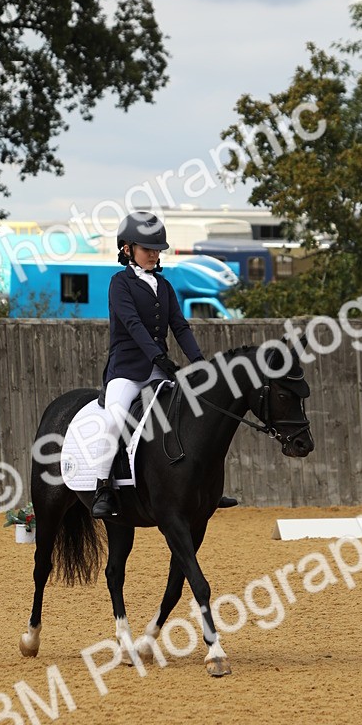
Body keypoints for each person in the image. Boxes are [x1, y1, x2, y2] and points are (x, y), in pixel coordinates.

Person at [91, 211, 205, 519]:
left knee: (194, 414)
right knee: (114, 421)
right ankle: (103, 488)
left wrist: (199, 362)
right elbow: (131, 323)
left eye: (157, 249)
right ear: (127, 249)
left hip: (159, 369)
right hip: (127, 371)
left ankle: (202, 487)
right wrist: (158, 357)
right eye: (147, 249)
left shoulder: (164, 286)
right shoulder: (120, 284)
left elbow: (179, 327)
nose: (154, 254)